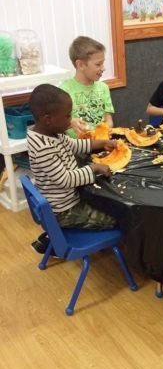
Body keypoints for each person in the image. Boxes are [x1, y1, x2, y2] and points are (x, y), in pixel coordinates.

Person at [27, 84, 118, 254]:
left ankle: (51, 239)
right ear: (48, 119)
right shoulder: (43, 148)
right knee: (114, 219)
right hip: (64, 210)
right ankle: (57, 239)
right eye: (67, 116)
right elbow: (66, 179)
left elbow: (76, 145)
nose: (70, 120)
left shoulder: (54, 134)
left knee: (105, 202)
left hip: (67, 201)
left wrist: (102, 143)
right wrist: (94, 168)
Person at [59, 36, 115, 138]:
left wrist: (103, 132)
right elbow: (59, 125)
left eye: (103, 63)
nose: (103, 68)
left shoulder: (103, 88)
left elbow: (108, 120)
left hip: (101, 142)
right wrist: (71, 123)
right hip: (78, 149)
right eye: (98, 64)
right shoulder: (64, 90)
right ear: (80, 65)